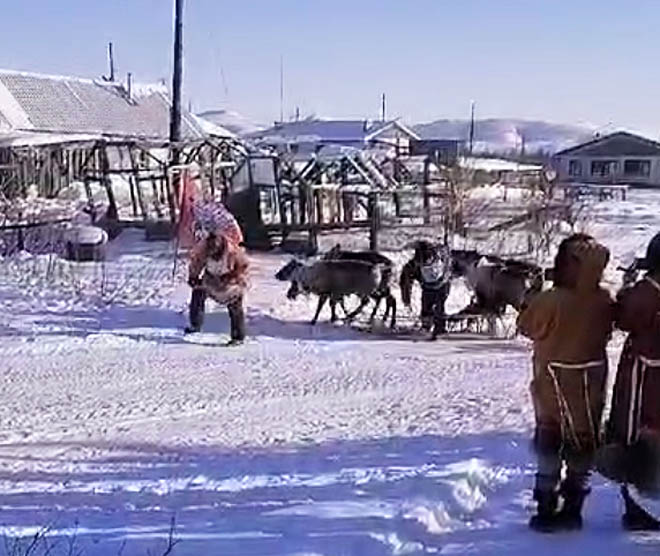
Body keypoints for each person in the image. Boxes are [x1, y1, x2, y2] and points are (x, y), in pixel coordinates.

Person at [518, 234, 614, 532]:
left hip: (552, 384)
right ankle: (573, 509)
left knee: (549, 440)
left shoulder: (550, 300)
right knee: (583, 442)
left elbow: (526, 327)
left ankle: (546, 507)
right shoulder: (604, 300)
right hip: (590, 385)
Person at [598, 232, 660, 530]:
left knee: (635, 435)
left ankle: (640, 510)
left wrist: (626, 288)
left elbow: (623, 318)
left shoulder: (648, 290)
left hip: (645, 375)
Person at [400, 240, 452, 339]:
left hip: (441, 285)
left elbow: (447, 270)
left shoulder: (440, 259)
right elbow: (407, 279)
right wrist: (407, 298)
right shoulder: (416, 262)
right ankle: (427, 325)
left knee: (438, 307)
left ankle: (439, 327)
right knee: (427, 306)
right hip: (428, 286)